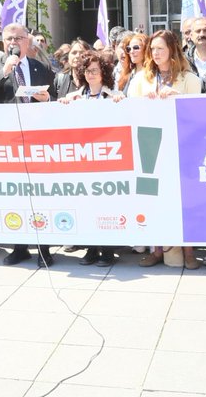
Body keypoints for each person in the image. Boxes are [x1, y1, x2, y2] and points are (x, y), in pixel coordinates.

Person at [0, 22, 56, 266]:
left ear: (27, 42)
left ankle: (44, 248)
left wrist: (48, 98)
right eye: (9, 38)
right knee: (16, 195)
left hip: (37, 140)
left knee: (40, 195)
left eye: (18, 38)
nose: (13, 42)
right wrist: (4, 73)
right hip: (7, 142)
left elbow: (55, 99)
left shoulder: (40, 67)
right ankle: (19, 247)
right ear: (3, 42)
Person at [128, 29, 201, 269]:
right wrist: (143, 102)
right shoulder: (141, 79)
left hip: (182, 143)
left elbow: (199, 114)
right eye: (153, 49)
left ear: (172, 50)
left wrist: (178, 97)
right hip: (150, 145)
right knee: (154, 198)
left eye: (160, 48)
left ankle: (189, 251)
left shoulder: (189, 79)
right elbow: (129, 110)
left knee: (185, 198)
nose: (155, 53)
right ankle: (157, 249)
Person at [59, 48, 122, 267]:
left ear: (103, 72)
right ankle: (91, 249)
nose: (91, 74)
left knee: (106, 207)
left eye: (95, 70)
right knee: (87, 206)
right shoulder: (74, 97)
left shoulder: (114, 96)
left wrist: (121, 102)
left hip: (107, 161)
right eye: (87, 71)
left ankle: (107, 251)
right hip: (83, 161)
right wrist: (64, 105)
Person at [186, 17, 206, 82]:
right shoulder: (183, 61)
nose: (202, 34)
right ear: (191, 36)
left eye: (205, 30)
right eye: (198, 31)